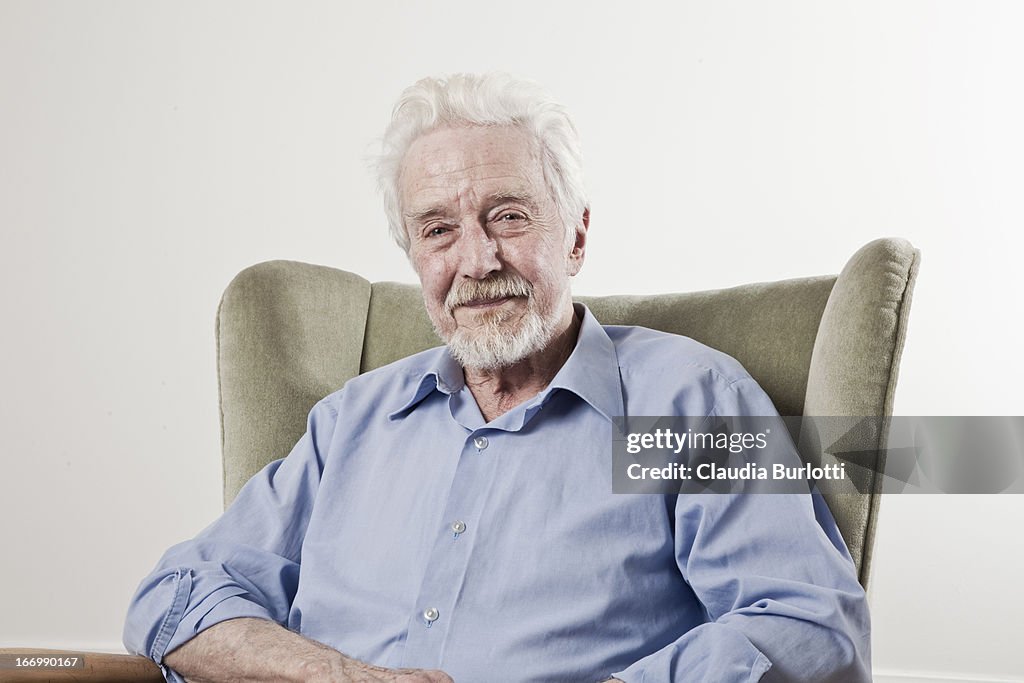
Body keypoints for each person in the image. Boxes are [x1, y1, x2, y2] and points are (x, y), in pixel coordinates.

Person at [124, 73, 871, 682]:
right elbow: (175, 595)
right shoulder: (353, 422)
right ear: (414, 253)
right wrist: (331, 675)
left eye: (508, 217)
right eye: (438, 229)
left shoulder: (690, 403)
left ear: (575, 234)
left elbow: (810, 623)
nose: (476, 261)